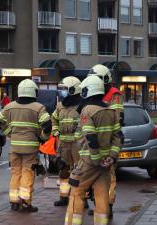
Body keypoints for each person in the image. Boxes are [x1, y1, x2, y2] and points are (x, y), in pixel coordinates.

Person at [64, 75, 122, 225]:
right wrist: (112, 157)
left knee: (76, 192)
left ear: (87, 91)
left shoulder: (87, 110)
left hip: (89, 162)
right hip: (105, 164)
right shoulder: (110, 110)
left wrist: (95, 159)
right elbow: (118, 137)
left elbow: (90, 137)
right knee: (102, 196)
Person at [0, 79, 51, 213]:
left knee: (16, 173)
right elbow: (47, 125)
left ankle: (14, 202)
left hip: (15, 147)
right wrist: (42, 138)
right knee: (27, 173)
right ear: (33, 92)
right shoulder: (39, 107)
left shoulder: (9, 106)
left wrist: (10, 133)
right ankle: (26, 203)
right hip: (30, 148)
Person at [87, 64, 125, 218]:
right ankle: (99, 204)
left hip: (109, 143)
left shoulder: (114, 96)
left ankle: (107, 206)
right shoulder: (99, 93)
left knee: (109, 176)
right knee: (98, 177)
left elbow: (116, 120)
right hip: (99, 142)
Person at [52, 76, 82, 207]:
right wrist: (55, 131)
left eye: (65, 89)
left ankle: (81, 198)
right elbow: (54, 119)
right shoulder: (60, 106)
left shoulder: (81, 106)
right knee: (63, 170)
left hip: (78, 145)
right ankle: (64, 197)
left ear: (73, 90)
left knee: (79, 171)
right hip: (63, 144)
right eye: (62, 89)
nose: (63, 91)